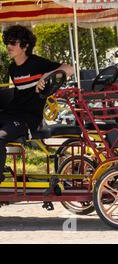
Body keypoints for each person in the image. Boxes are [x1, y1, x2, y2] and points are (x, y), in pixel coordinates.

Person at [0, 25, 74, 183]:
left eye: (13, 42)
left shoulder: (37, 64)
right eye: (7, 42)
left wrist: (49, 74)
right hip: (11, 113)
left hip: (29, 119)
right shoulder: (12, 69)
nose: (9, 46)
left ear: (25, 46)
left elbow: (69, 68)